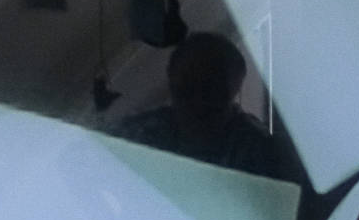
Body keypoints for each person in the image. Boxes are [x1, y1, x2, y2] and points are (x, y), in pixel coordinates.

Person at [118, 31, 297, 180]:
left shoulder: (262, 152)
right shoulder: (138, 134)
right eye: (186, 87)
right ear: (171, 81)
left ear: (233, 90)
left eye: (210, 89)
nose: (198, 101)